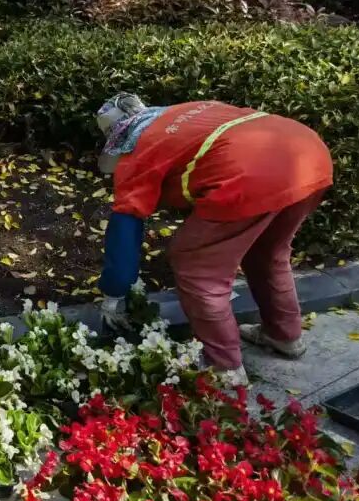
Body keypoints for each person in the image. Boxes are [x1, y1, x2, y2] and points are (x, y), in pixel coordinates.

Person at [94, 93, 333, 386]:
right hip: (307, 155)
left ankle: (224, 366)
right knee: (267, 251)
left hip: (249, 175)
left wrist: (114, 293)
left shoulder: (140, 150)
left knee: (196, 264)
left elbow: (125, 226)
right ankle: (284, 335)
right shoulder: (185, 112)